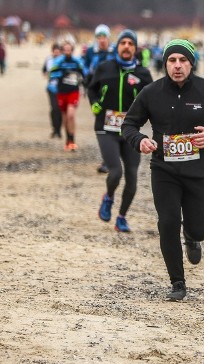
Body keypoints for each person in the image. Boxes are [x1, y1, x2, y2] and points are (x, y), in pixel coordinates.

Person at [122, 39, 204, 301]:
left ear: (191, 63)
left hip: (198, 172)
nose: (177, 66)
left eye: (182, 61)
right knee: (168, 223)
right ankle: (177, 282)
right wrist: (139, 140)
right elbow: (128, 125)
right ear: (165, 64)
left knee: (199, 229)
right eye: (172, 61)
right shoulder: (151, 93)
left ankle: (192, 237)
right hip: (164, 171)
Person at [88, 29, 153, 232]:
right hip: (105, 127)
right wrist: (95, 104)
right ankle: (108, 197)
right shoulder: (105, 67)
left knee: (132, 177)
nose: (126, 46)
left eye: (130, 44)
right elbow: (91, 88)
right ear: (118, 46)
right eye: (123, 43)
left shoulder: (143, 74)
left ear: (135, 48)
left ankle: (122, 217)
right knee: (115, 172)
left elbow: (152, 100)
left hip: (130, 131)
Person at [84, 24, 116, 174]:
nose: (102, 40)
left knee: (111, 124)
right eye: (99, 37)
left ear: (108, 37)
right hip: (96, 91)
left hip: (112, 90)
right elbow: (84, 67)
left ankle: (109, 159)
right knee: (100, 125)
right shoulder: (91, 51)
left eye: (104, 37)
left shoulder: (115, 50)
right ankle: (107, 158)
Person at [49, 41, 86, 151]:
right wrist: (62, 73)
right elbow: (52, 73)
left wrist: (81, 78)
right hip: (61, 91)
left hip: (73, 91)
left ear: (72, 50)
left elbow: (84, 73)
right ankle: (68, 140)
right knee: (65, 117)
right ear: (63, 50)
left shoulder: (77, 61)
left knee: (71, 115)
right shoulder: (59, 61)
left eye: (69, 49)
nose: (67, 51)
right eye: (65, 49)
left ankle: (73, 140)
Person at [43, 43, 62, 138]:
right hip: (51, 87)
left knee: (60, 109)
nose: (56, 53)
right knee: (54, 108)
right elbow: (44, 71)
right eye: (55, 51)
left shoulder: (63, 60)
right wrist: (49, 75)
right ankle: (54, 128)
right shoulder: (48, 59)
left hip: (62, 88)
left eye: (58, 51)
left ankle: (59, 129)